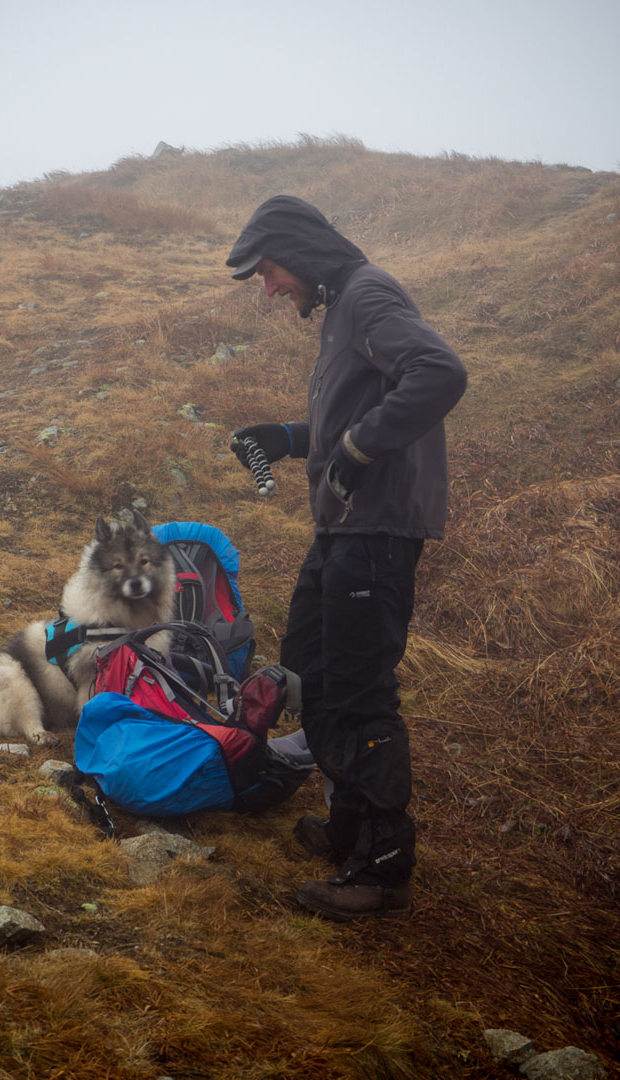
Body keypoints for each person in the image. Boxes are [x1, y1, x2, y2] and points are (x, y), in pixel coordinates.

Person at [227, 195, 467, 922]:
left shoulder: (368, 294)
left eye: (269, 272)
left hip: (377, 532)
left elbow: (439, 372)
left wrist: (360, 448)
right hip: (342, 530)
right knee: (312, 672)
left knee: (360, 694)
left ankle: (384, 867)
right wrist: (292, 438)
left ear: (301, 252)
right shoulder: (343, 313)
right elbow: (355, 415)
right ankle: (350, 829)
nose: (269, 289)